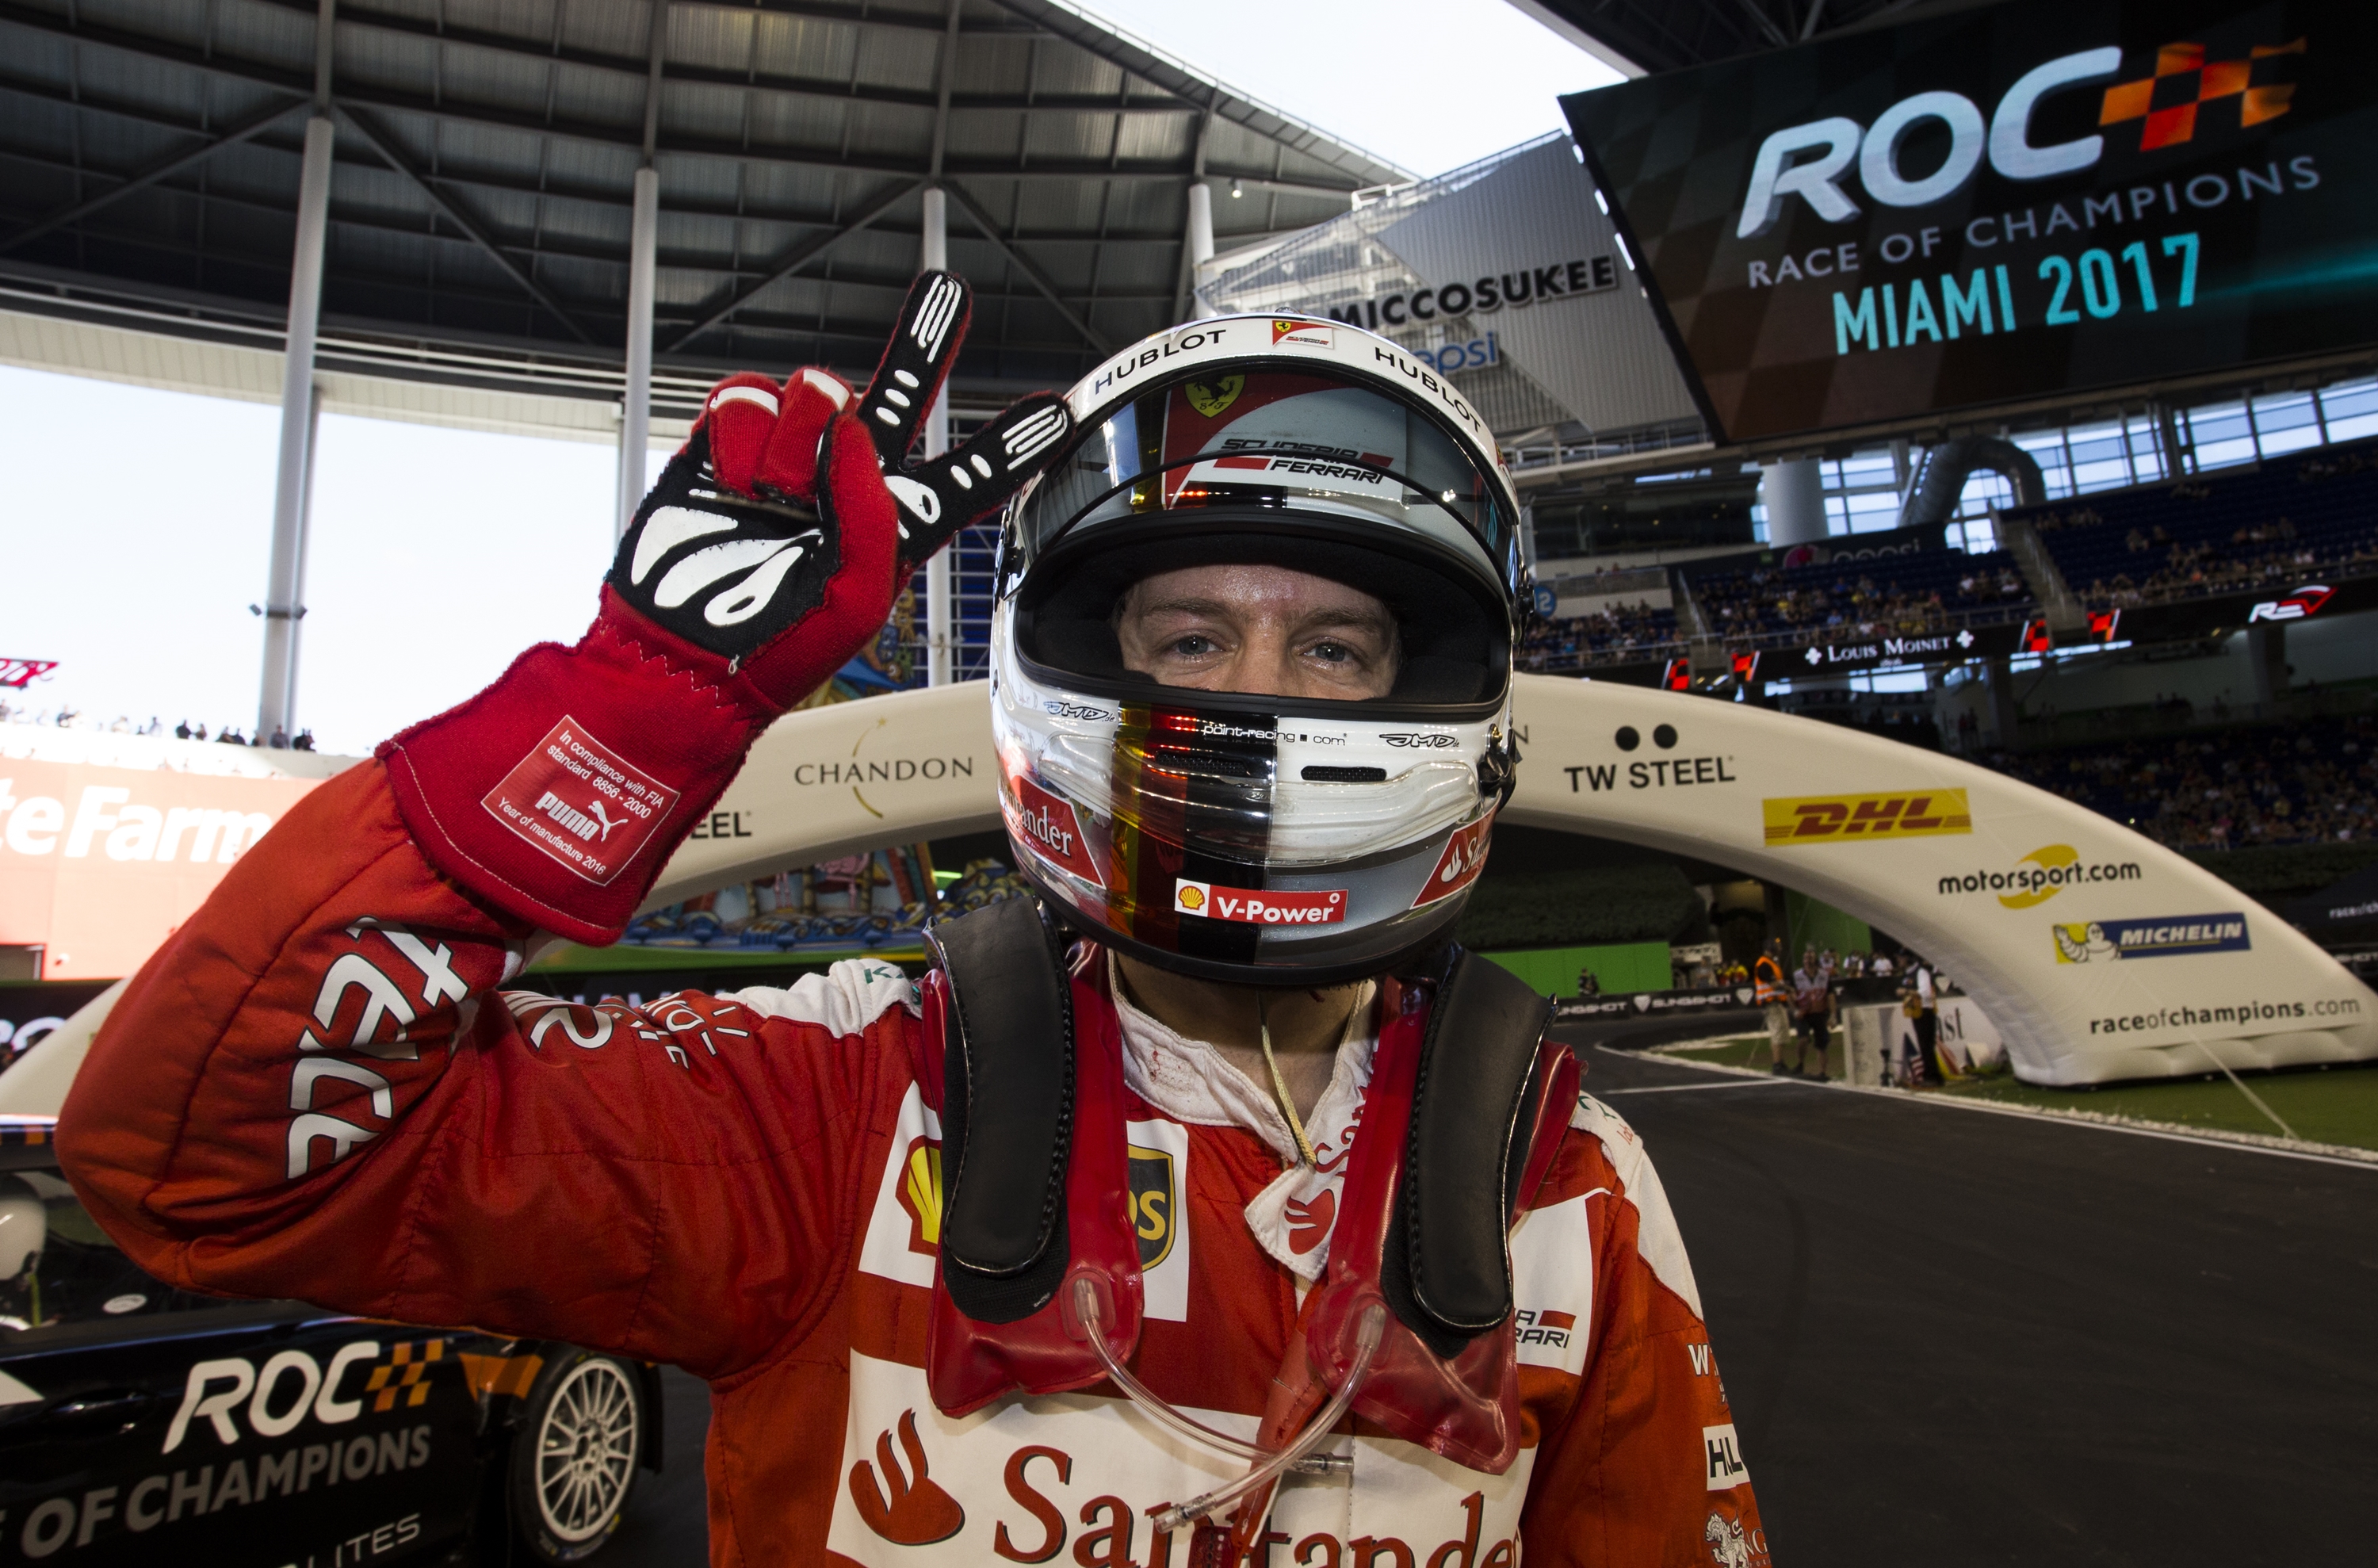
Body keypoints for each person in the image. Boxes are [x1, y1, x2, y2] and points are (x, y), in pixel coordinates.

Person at [57, 281, 1761, 1565]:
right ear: (1080, 669)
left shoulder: (1568, 1180)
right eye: (1188, 636)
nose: (1259, 693)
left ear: (1446, 696)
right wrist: (645, 699)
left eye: (1334, 649)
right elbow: (207, 1162)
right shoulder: (835, 1091)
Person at [1791, 948, 1831, 1078]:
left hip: (1820, 1012)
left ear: (1815, 960)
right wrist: (1795, 1010)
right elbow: (1790, 995)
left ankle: (1822, 1072)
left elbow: (1831, 995)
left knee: (1822, 1044)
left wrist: (1833, 1014)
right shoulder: (1797, 976)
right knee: (1803, 1038)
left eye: (1810, 958)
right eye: (1806, 958)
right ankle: (1800, 1064)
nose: (1808, 961)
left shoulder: (1824, 976)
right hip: (1804, 1013)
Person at [1753, 938, 1791, 1073]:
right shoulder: (1764, 964)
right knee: (1778, 1032)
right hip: (1770, 1003)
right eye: (1777, 947)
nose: (1779, 949)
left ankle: (1780, 1062)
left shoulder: (1771, 963)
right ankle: (1777, 1064)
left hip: (1776, 1002)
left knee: (1781, 1032)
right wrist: (1788, 989)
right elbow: (1773, 984)